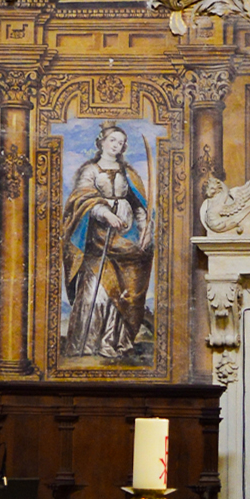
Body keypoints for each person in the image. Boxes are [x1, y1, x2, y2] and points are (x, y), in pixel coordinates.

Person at [63, 123, 154, 358]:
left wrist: (145, 231)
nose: (117, 145)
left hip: (127, 236)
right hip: (98, 238)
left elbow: (140, 205)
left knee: (123, 292)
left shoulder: (128, 173)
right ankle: (86, 345)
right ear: (101, 142)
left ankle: (111, 343)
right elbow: (82, 199)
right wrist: (105, 212)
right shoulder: (90, 171)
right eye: (113, 140)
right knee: (97, 292)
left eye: (121, 142)